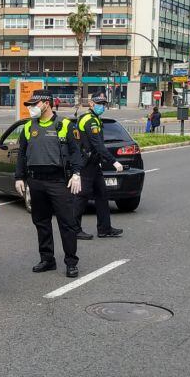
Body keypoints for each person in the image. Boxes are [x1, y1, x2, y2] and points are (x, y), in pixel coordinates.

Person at [14, 90, 84, 278]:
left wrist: (76, 174)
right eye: (29, 105)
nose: (31, 108)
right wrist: (19, 177)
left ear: (46, 103)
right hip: (36, 181)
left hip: (59, 181)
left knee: (67, 223)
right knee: (41, 222)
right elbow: (21, 154)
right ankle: (47, 259)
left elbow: (77, 152)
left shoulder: (65, 125)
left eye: (34, 104)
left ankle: (71, 262)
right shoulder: (28, 127)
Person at [75, 95, 125, 240]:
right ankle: (75, 229)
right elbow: (97, 145)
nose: (102, 106)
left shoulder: (93, 118)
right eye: (99, 103)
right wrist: (113, 161)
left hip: (94, 163)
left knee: (102, 195)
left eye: (104, 104)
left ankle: (105, 229)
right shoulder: (90, 120)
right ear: (91, 103)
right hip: (87, 164)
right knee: (82, 197)